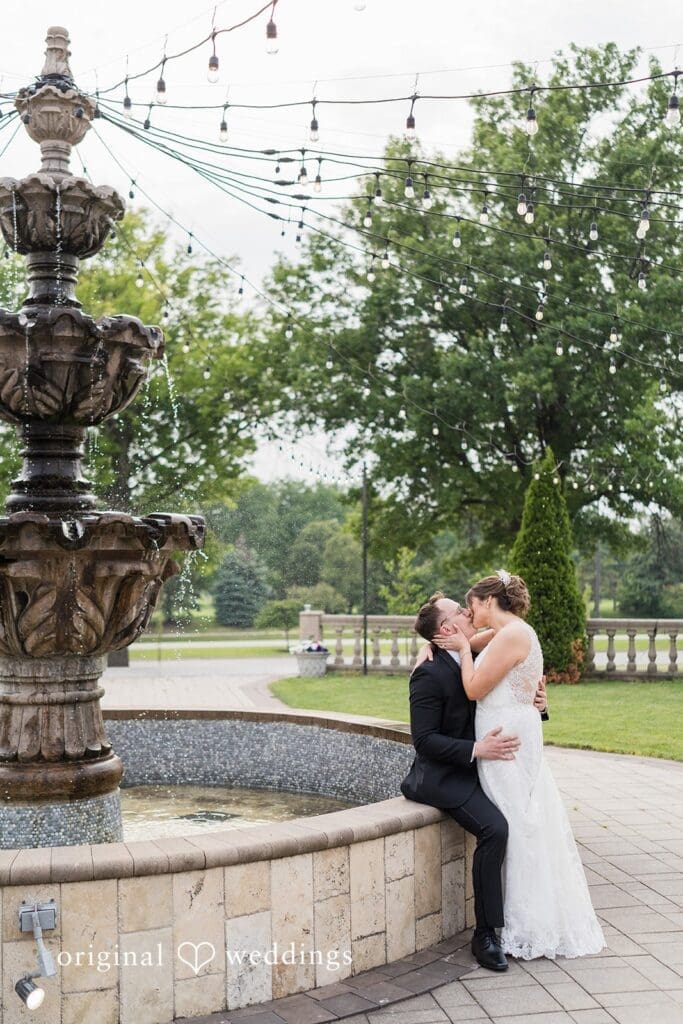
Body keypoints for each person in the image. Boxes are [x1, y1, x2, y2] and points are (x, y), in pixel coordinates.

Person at [428, 571, 605, 960]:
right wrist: (434, 647)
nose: (469, 611)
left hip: (506, 743)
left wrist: (461, 653)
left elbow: (474, 688)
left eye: (471, 604)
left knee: (516, 825)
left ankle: (525, 926)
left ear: (488, 600)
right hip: (507, 736)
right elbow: (461, 644)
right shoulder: (503, 632)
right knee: (518, 821)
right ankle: (511, 920)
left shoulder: (512, 635)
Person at [400, 592, 546, 971]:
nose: (469, 612)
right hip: (447, 776)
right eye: (460, 611)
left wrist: (540, 704)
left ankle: (526, 916)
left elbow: (510, 693)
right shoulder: (428, 673)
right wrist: (477, 749)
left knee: (527, 818)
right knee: (496, 829)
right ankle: (485, 935)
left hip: (488, 768)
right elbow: (424, 740)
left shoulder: (477, 654)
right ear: (447, 628)